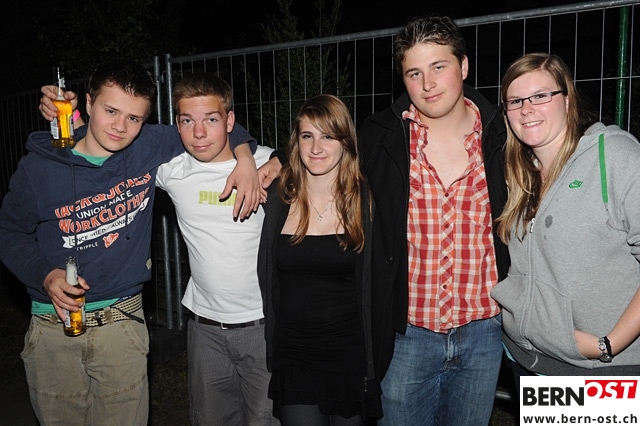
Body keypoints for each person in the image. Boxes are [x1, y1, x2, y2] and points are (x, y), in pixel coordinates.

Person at [0, 60, 260, 426]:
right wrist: (44, 275)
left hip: (122, 323)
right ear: (87, 103)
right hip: (53, 327)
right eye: (110, 111)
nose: (121, 127)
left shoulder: (147, 147)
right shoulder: (38, 169)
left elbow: (210, 125)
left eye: (134, 118)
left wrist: (246, 157)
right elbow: (9, 232)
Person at [356, 15, 510, 426]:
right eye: (414, 73)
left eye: (439, 67)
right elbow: (320, 157)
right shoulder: (380, 136)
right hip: (407, 335)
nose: (427, 84)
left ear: (464, 66)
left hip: (484, 332)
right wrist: (262, 158)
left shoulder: (504, 134)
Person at [491, 52, 640, 382]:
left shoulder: (614, 155)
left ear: (567, 100)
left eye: (541, 96)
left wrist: (610, 344)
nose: (527, 109)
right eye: (515, 101)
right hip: (526, 361)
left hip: (604, 371)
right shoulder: (520, 174)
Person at [156, 72, 276, 425]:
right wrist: (75, 119)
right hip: (204, 329)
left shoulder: (266, 164)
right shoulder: (172, 171)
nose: (198, 133)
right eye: (187, 121)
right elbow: (110, 146)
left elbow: (321, 152)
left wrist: (262, 158)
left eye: (211, 119)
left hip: (264, 327)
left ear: (230, 121)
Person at [257, 94, 382, 425]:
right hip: (294, 355)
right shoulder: (278, 198)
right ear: (296, 142)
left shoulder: (366, 200)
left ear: (345, 142)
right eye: (307, 135)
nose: (316, 147)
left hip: (350, 355)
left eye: (328, 136)